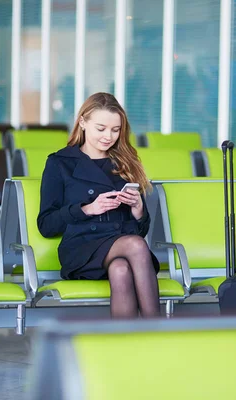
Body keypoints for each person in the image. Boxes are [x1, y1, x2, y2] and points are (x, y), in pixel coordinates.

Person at [37, 92, 160, 319]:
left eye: (115, 130)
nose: (108, 137)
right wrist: (87, 209)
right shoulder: (60, 163)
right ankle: (159, 331)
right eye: (101, 128)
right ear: (83, 122)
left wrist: (138, 210)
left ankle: (124, 346)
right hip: (81, 248)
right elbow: (46, 224)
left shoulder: (126, 161)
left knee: (121, 269)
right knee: (134, 245)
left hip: (121, 247)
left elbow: (140, 229)